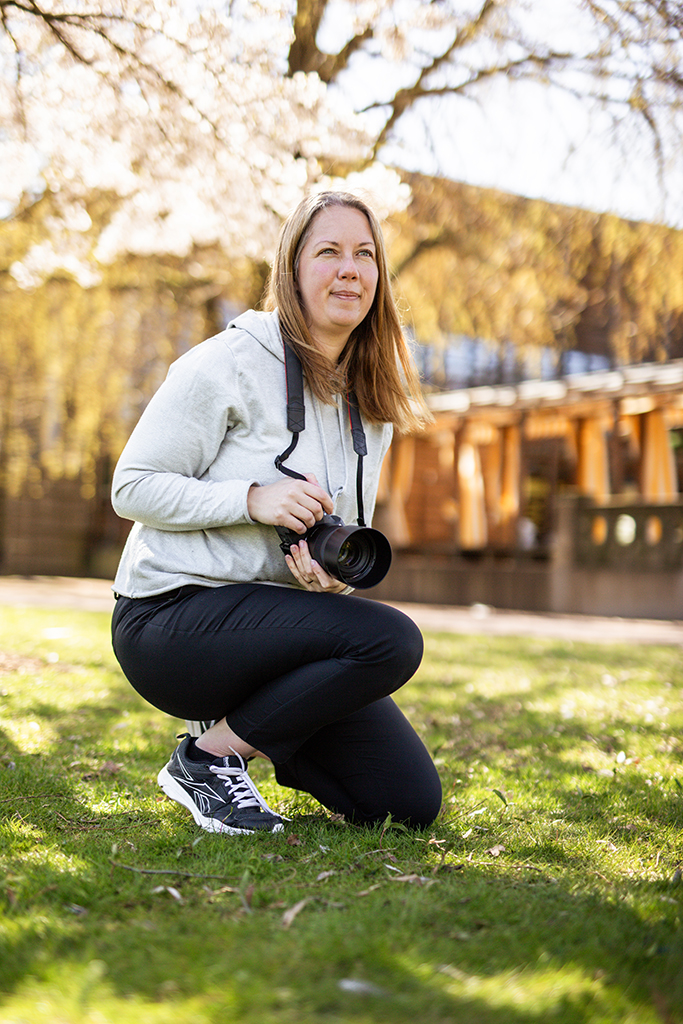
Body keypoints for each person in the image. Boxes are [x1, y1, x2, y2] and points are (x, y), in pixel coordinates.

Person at [110, 190, 442, 836]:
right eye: (329, 252)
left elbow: (335, 543)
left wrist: (329, 582)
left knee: (407, 803)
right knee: (392, 639)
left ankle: (243, 735)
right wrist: (251, 500)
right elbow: (132, 485)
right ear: (290, 270)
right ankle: (207, 761)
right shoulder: (226, 362)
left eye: (364, 255)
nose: (349, 269)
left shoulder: (370, 406)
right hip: (167, 618)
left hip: (266, 631)